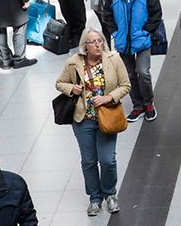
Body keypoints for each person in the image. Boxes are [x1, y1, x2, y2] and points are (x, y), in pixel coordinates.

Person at [54, 29, 131, 216]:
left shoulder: (113, 59)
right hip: (83, 119)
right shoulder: (73, 63)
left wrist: (108, 98)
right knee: (89, 161)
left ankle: (110, 194)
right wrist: (73, 89)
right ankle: (95, 198)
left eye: (100, 41)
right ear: (85, 46)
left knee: (107, 160)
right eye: (93, 42)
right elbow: (59, 83)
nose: (97, 45)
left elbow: (126, 85)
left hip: (107, 116)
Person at [101, 0, 162, 123]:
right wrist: (115, 32)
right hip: (123, 41)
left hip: (141, 39)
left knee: (143, 72)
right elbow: (106, 13)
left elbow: (156, 12)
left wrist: (146, 31)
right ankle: (138, 105)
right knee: (128, 75)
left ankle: (148, 103)